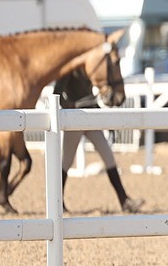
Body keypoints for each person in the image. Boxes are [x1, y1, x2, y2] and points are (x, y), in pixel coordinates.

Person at [54, 68, 142, 213]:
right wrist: (68, 105)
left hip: (90, 119)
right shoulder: (70, 70)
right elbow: (57, 93)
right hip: (75, 119)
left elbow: (91, 94)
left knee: (109, 157)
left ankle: (124, 200)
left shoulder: (89, 68)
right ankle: (57, 202)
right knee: (67, 162)